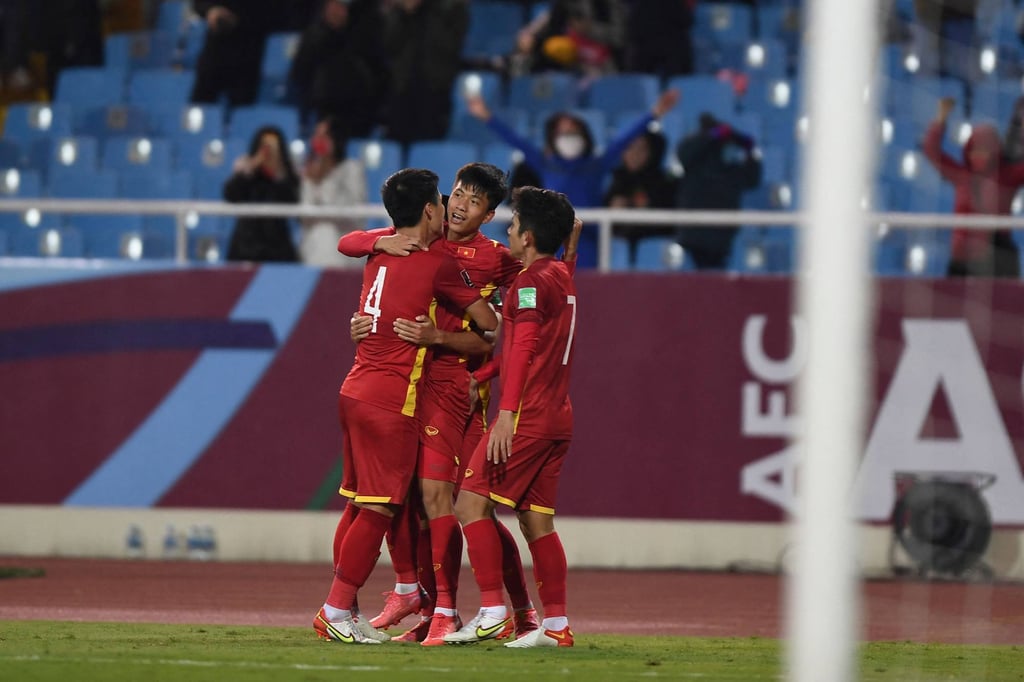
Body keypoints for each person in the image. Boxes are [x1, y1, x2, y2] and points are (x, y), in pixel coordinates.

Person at [342, 164, 577, 645]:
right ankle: (425, 601)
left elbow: (508, 327)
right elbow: (349, 242)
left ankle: (481, 609)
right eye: (458, 193)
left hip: (456, 393)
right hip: (408, 386)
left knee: (453, 502)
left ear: (491, 216)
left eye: (475, 200)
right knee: (410, 502)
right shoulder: (414, 237)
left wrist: (457, 353)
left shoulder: (500, 259)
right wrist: (372, 262)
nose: (460, 205)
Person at [313, 168, 499, 644]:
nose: (451, 206)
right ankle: (336, 609)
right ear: (430, 210)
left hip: (354, 389)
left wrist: (376, 243)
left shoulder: (381, 250)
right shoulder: (437, 262)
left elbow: (349, 242)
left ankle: (365, 604)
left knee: (359, 504)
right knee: (379, 510)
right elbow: (490, 324)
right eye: (445, 199)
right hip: (392, 399)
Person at [444, 186, 579, 648]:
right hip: (558, 418)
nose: (509, 230)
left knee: (469, 504)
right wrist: (484, 374)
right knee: (536, 521)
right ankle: (555, 626)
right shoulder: (560, 274)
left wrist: (506, 415)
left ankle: (492, 611)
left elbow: (522, 350)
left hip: (527, 418)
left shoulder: (527, 283)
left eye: (515, 224)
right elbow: (531, 344)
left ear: (529, 237)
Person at [467, 88, 680, 267]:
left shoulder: (596, 166)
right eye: (564, 133)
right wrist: (487, 117)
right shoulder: (546, 164)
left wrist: (654, 114)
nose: (569, 138)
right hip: (551, 243)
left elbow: (624, 140)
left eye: (574, 132)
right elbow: (515, 140)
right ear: (554, 139)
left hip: (588, 243)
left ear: (584, 136)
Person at [922, 96, 1024, 277]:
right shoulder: (961, 176)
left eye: (985, 150)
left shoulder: (1007, 176)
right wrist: (941, 117)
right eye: (975, 150)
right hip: (962, 258)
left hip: (997, 258)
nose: (979, 156)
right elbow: (932, 150)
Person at [674, 112, 763, 270]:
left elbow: (752, 179)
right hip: (692, 237)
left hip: (722, 238)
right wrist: (713, 135)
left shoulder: (732, 170)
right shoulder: (693, 164)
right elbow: (683, 154)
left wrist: (746, 145)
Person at [288, 0, 385, 139]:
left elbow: (378, 75)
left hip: (357, 113)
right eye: (333, 5)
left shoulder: (364, 38)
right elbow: (299, 75)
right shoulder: (313, 37)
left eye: (342, 7)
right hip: (320, 110)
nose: (337, 11)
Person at [380, 0, 468, 146]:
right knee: (396, 145)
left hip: (435, 92)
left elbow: (449, 47)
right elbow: (389, 44)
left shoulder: (452, 7)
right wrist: (404, 14)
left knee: (427, 147)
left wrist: (427, 9)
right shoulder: (401, 10)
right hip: (401, 90)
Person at [223, 125, 300, 262]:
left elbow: (294, 200)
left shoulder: (286, 173)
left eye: (272, 146)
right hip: (245, 245)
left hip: (278, 246)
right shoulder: (246, 169)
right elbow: (230, 195)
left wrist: (278, 173)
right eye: (264, 146)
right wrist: (251, 166)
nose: (268, 151)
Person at [299, 115, 367, 267]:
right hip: (315, 242)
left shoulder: (351, 169)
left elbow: (353, 211)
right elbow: (305, 214)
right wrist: (314, 181)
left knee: (326, 232)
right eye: (317, 135)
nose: (319, 141)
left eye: (325, 136)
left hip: (345, 240)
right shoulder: (309, 173)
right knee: (322, 232)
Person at [603, 128, 677, 266]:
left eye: (641, 149)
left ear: (652, 152)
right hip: (615, 257)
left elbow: (668, 225)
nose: (634, 154)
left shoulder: (665, 184)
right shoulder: (613, 180)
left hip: (654, 257)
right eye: (629, 147)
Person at [189, 1, 283, 107]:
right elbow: (200, 4)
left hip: (249, 53)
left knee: (242, 108)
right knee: (200, 105)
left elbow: (280, 13)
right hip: (215, 51)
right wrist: (211, 10)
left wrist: (241, 17)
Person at [622, 0, 694, 79]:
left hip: (648, 48)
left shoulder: (642, 4)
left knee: (641, 74)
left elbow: (634, 27)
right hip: (672, 47)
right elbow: (687, 21)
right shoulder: (675, 2)